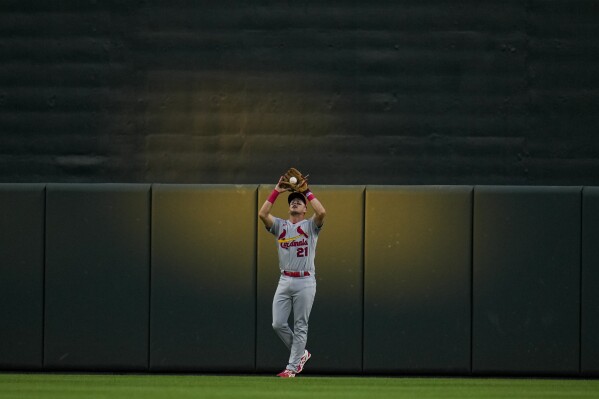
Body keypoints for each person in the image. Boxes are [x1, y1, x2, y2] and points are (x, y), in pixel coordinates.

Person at [258, 176, 326, 378]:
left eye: (299, 202)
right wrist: (277, 190)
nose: (295, 202)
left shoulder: (311, 226)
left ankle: (291, 368)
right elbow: (262, 213)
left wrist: (307, 192)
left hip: (305, 280)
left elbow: (321, 211)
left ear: (305, 209)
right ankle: (301, 354)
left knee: (300, 325)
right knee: (277, 323)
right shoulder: (280, 226)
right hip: (285, 279)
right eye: (292, 201)